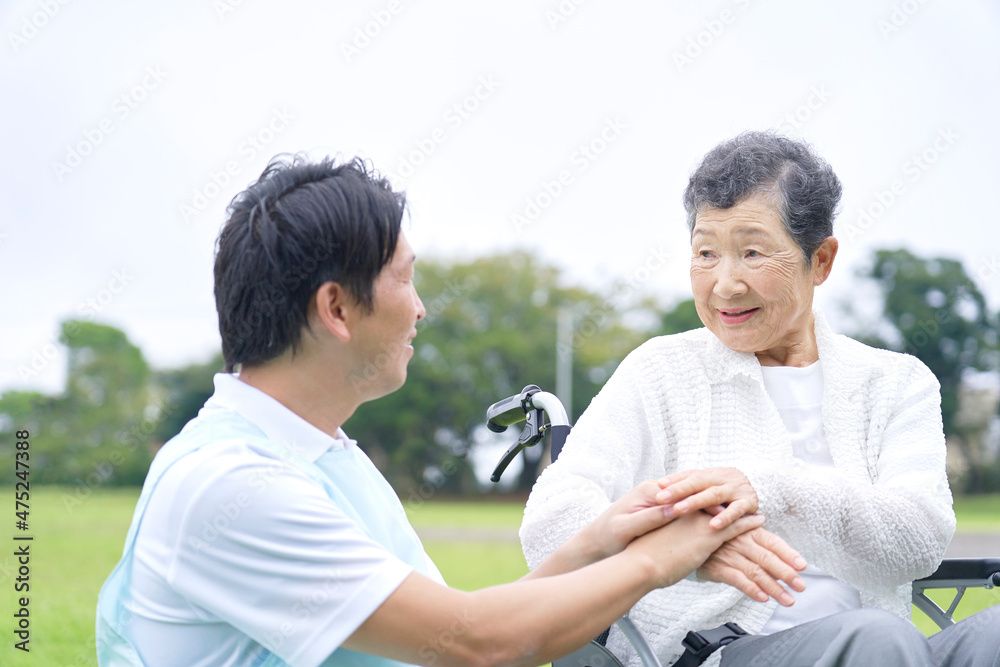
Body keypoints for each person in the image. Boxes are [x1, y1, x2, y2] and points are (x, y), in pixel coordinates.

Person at [95, 154, 802, 667]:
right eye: (405, 278)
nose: (421, 307)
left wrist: (604, 538)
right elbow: (475, 643)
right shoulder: (232, 484)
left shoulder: (323, 455)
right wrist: (663, 558)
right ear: (336, 307)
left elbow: (451, 631)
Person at [520, 131, 1000, 667]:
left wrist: (765, 492)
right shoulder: (661, 371)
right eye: (706, 253)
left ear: (820, 260)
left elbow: (917, 538)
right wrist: (687, 544)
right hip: (717, 652)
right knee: (877, 640)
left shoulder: (896, 382)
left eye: (751, 252)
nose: (725, 284)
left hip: (889, 649)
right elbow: (550, 522)